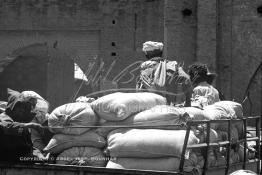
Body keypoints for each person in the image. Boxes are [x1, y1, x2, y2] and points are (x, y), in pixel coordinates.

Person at [136, 41, 192, 106]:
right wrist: (188, 102)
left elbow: (139, 91)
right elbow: (187, 80)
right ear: (161, 53)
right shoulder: (173, 65)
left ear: (146, 54)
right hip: (170, 107)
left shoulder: (144, 67)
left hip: (150, 109)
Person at [0, 88, 46, 163]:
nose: (23, 111)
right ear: (12, 106)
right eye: (20, 108)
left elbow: (28, 146)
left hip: (21, 159)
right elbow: (8, 127)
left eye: (30, 107)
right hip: (7, 158)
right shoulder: (4, 116)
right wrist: (31, 125)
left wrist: (38, 154)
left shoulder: (24, 125)